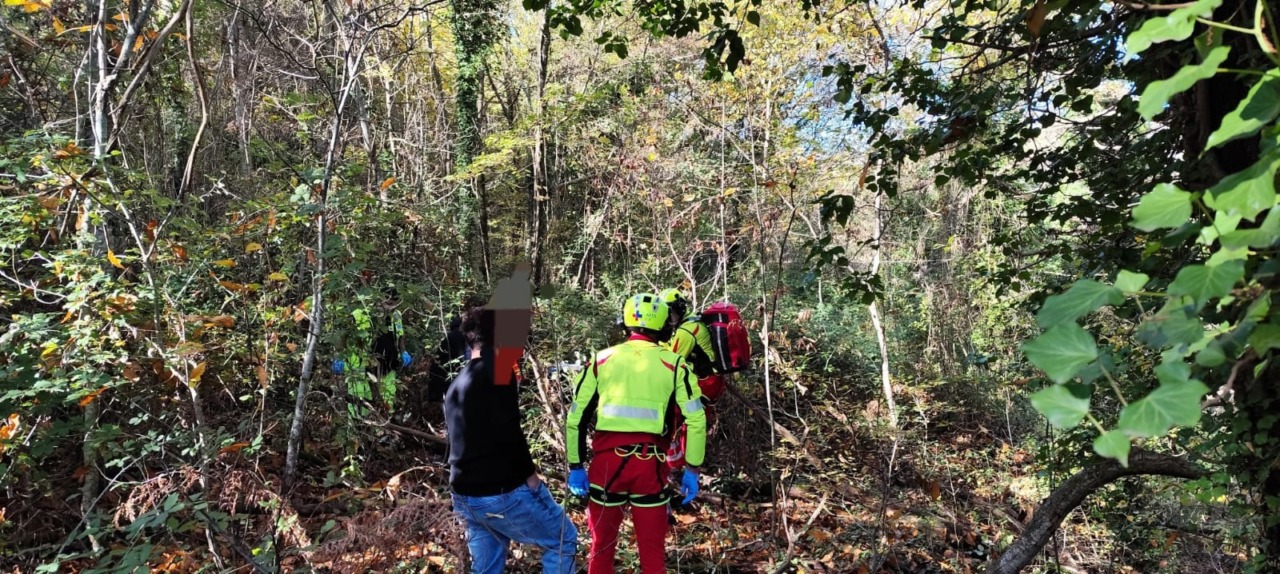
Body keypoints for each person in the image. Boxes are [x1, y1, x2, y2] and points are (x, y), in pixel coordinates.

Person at [565, 293, 707, 574]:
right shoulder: (675, 364)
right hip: (650, 468)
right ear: (665, 326)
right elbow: (696, 418)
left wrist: (575, 465)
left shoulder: (601, 360)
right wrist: (692, 468)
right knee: (652, 554)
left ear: (625, 323)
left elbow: (576, 417)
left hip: (607, 467)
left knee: (601, 547)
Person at [444, 303, 577, 574]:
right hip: (499, 492)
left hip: (464, 493)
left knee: (486, 568)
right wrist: (530, 476)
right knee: (562, 539)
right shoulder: (498, 371)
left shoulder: (458, 381)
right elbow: (508, 428)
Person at [658, 288, 726, 472]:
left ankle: (675, 466)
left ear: (678, 309)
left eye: (669, 313)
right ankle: (682, 465)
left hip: (705, 383)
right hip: (711, 381)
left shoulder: (686, 331)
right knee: (692, 422)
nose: (667, 318)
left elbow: (671, 360)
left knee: (675, 415)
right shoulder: (692, 323)